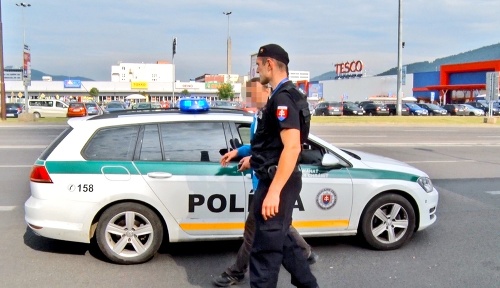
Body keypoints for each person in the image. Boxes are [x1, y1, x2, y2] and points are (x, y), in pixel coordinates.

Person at [213, 104, 318, 287]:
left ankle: (236, 272)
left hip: (271, 184)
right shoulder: (259, 116)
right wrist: (239, 152)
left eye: (253, 91)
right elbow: (259, 147)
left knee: (256, 231)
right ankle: (305, 255)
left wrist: (253, 161)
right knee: (280, 229)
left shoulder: (276, 114)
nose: (250, 97)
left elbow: (280, 151)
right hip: (263, 184)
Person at [249, 44, 318, 288]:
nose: (257, 70)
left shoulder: (282, 98)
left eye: (258, 65)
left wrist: (274, 192)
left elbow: (292, 147)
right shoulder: (287, 93)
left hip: (278, 181)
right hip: (277, 175)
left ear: (269, 64)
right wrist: (252, 159)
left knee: (265, 252)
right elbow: (275, 144)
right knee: (283, 240)